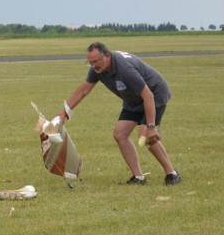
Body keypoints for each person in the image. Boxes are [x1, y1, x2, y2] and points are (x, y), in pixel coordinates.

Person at [63, 42, 182, 185]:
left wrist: (151, 126)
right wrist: (64, 113)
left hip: (154, 94)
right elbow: (83, 90)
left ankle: (172, 174)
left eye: (96, 61)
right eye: (90, 62)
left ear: (107, 56)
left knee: (146, 135)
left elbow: (148, 95)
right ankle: (138, 177)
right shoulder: (97, 70)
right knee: (120, 134)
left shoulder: (125, 69)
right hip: (133, 99)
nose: (94, 65)